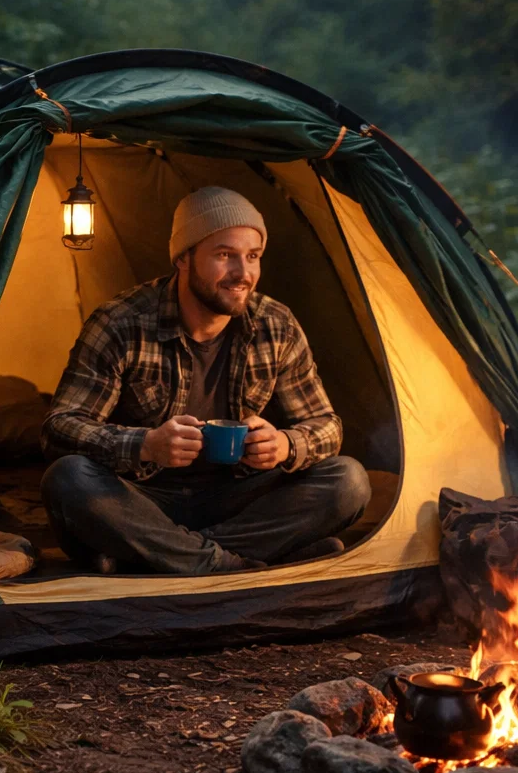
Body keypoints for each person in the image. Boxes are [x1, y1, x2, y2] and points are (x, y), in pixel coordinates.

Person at [40, 185, 370, 575]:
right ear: (183, 258)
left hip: (235, 497)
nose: (243, 274)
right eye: (225, 255)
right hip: (143, 496)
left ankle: (164, 557)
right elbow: (59, 427)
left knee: (348, 481)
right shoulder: (121, 323)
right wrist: (145, 444)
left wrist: (285, 443)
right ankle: (239, 560)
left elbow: (327, 426)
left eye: (253, 257)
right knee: (69, 479)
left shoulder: (275, 325)